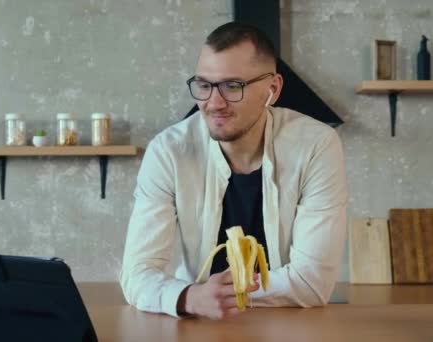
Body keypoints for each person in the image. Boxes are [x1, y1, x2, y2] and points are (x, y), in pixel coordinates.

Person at [120, 22, 348, 320]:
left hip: (290, 327)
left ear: (273, 89)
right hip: (197, 324)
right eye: (204, 85)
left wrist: (211, 295)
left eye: (233, 86)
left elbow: (311, 283)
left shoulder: (316, 145)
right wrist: (191, 296)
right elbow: (137, 275)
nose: (213, 103)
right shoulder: (168, 152)